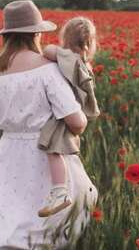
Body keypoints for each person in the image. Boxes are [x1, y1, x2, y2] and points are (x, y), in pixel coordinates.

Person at [0, 0, 98, 250]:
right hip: (44, 152)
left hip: (9, 153)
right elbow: (76, 122)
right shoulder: (46, 69)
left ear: (6, 35)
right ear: (36, 33)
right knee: (62, 218)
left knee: (10, 221)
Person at [37, 16, 101, 218]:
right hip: (76, 113)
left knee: (53, 151)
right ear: (90, 44)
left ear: (66, 39)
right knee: (64, 152)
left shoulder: (66, 58)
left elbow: (47, 51)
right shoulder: (84, 65)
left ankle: (60, 192)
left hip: (63, 115)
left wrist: (57, 49)